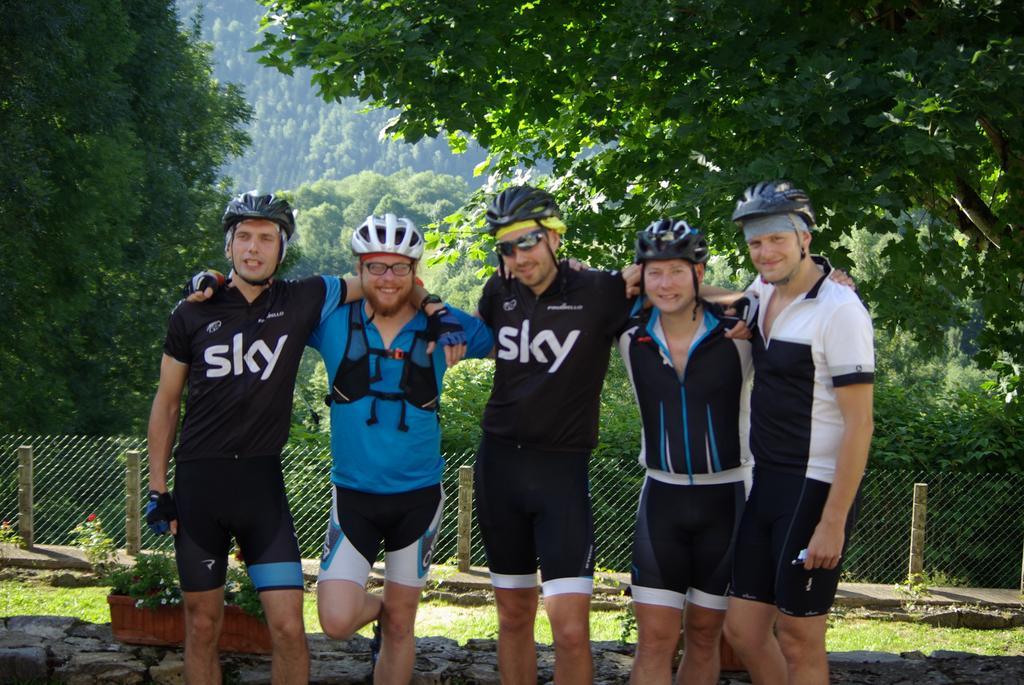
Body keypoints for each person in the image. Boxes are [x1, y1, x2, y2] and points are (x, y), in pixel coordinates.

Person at [146, 194, 459, 684]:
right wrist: (158, 488)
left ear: (282, 247)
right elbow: (166, 403)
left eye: (266, 238)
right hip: (198, 484)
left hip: (261, 486)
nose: (254, 249)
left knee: (290, 628)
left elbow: (388, 281)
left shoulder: (305, 297)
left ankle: (388, 619)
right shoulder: (190, 313)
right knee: (202, 625)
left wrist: (433, 304)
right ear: (229, 245)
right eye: (244, 237)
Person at [310, 214, 492, 684]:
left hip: (418, 495)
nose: (388, 278)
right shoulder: (331, 320)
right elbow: (269, 302)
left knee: (402, 630)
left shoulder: (443, 325)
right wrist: (211, 283)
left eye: (399, 268)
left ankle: (395, 620)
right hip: (353, 494)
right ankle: (390, 610)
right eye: (376, 267)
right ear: (359, 269)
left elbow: (510, 337)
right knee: (335, 619)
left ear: (416, 272)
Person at [471, 184, 638, 685]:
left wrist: (821, 277)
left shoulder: (602, 292)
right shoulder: (497, 293)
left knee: (569, 629)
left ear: (555, 236)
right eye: (506, 246)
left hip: (561, 471)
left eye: (528, 241)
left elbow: (683, 286)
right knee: (513, 617)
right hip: (498, 466)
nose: (519, 256)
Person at [722, 181, 875, 685]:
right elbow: (703, 295)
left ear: (804, 237)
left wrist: (832, 522)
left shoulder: (841, 310)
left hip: (815, 488)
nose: (765, 252)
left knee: (799, 636)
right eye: (755, 243)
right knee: (743, 630)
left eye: (777, 240)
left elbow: (860, 423)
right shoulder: (762, 291)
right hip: (766, 481)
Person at [619, 219, 753, 685]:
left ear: (699, 272)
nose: (665, 283)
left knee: (702, 636)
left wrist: (832, 274)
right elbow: (570, 295)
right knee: (654, 641)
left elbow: (789, 294)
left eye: (677, 270)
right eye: (654, 272)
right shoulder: (627, 329)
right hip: (661, 499)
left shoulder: (741, 329)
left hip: (728, 500)